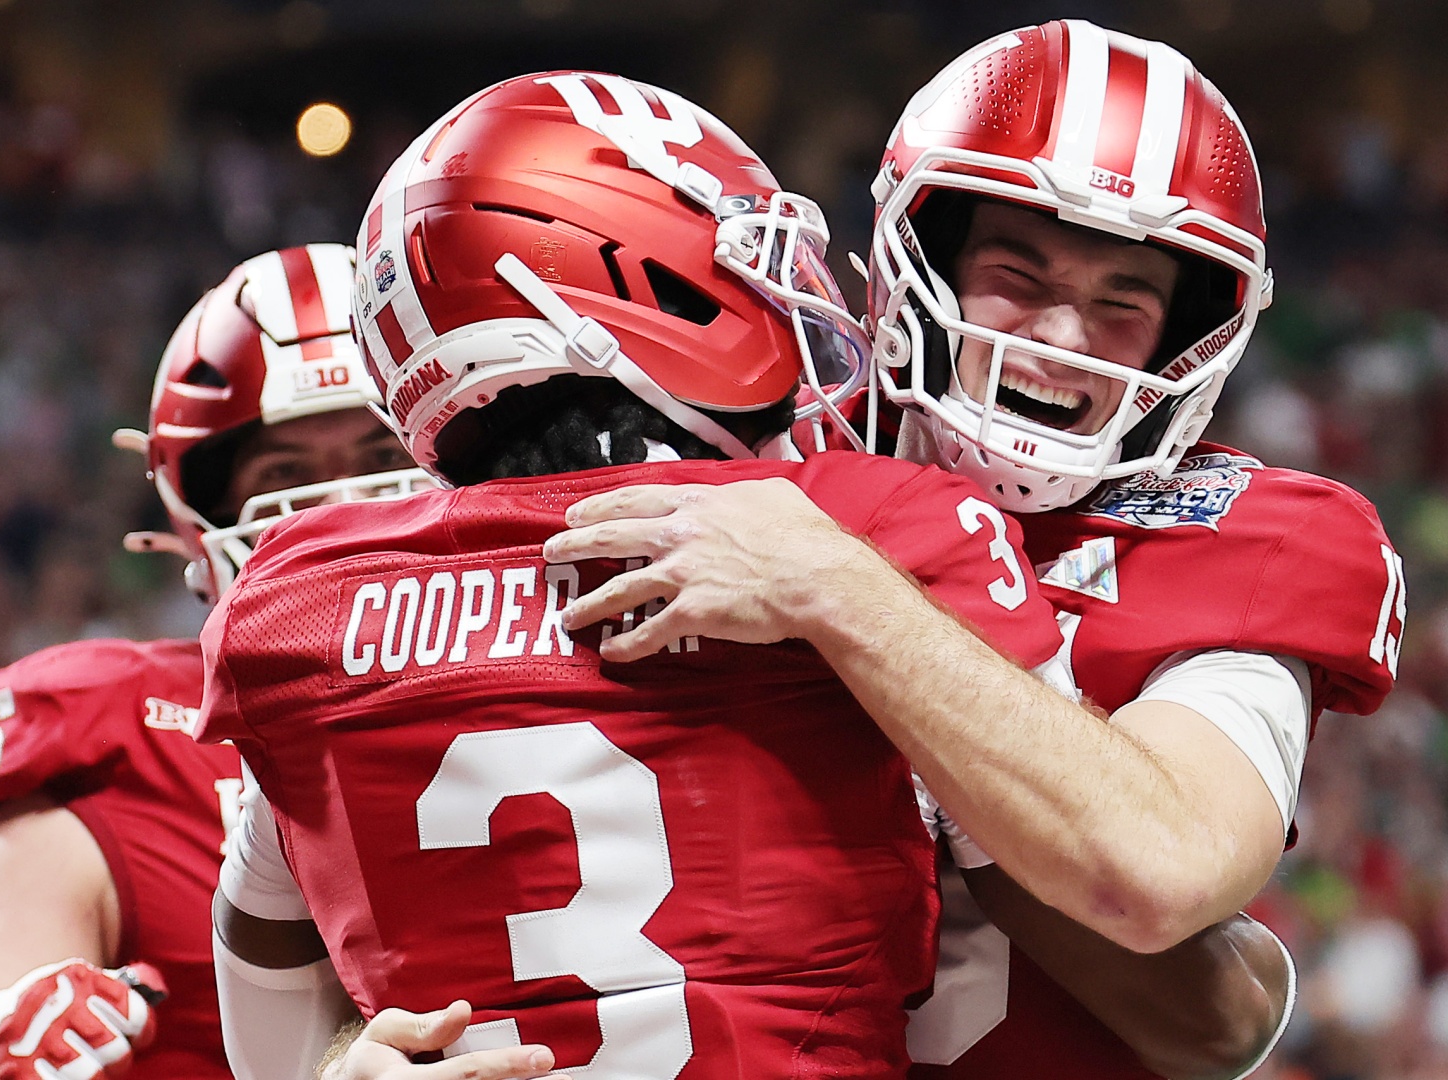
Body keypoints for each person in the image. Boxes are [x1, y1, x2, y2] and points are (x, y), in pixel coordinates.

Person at [543, 21, 1399, 1080]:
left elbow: (1160, 881)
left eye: (1123, 300)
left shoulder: (1249, 537)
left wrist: (847, 599)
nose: (1062, 335)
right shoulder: (741, 446)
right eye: (1018, 271)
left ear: (1191, 338)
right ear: (923, 262)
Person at [197, 71, 1070, 1080]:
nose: (782, 295)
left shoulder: (296, 599)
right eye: (750, 261)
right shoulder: (874, 526)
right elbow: (1114, 901)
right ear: (627, 278)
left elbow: (264, 1017)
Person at [0, 244, 421, 1080]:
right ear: (202, 527)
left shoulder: (604, 657)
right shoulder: (129, 743)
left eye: (381, 460)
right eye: (287, 477)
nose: (342, 516)